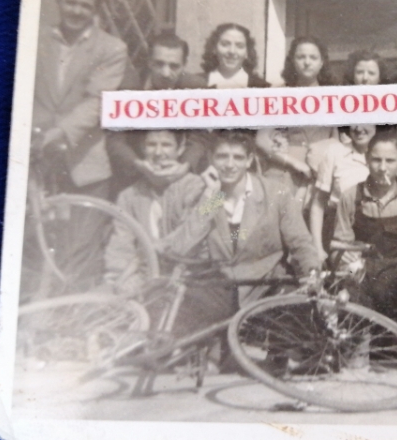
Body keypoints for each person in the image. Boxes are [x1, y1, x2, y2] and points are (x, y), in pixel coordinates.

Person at [159, 131, 323, 334]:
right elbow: (180, 248)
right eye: (222, 156)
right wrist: (211, 198)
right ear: (210, 158)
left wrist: (312, 273)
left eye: (237, 157)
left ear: (249, 160)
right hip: (220, 288)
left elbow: (301, 242)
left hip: (266, 286)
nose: (229, 164)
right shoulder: (202, 193)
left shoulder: (276, 193)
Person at [30, 0, 130, 287]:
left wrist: (57, 133)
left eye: (85, 6)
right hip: (36, 162)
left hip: (84, 165)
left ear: (95, 9)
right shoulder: (34, 40)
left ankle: (75, 314)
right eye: (71, 2)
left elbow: (97, 101)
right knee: (35, 249)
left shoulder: (111, 48)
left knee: (80, 253)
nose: (76, 11)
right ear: (59, 2)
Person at [332, 132, 397, 331]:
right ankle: (355, 341)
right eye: (376, 160)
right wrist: (345, 259)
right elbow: (339, 246)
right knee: (349, 289)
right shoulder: (350, 196)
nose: (382, 168)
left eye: (390, 161)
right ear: (366, 159)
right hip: (363, 274)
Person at [103, 130, 206, 292]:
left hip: (188, 277)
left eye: (166, 145)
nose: (158, 153)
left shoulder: (198, 187)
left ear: (180, 149)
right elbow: (120, 245)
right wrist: (120, 277)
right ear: (142, 148)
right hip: (141, 276)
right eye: (151, 145)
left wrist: (148, 254)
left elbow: (190, 236)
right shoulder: (128, 196)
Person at [108, 29, 209, 187]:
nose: (166, 73)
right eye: (159, 64)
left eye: (174, 66)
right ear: (149, 62)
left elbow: (199, 137)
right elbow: (115, 140)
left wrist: (184, 167)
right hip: (137, 171)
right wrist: (139, 165)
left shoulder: (195, 87)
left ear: (184, 65)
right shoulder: (128, 87)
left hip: (180, 169)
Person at [256, 36, 336, 199]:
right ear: (292, 61)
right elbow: (261, 140)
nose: (307, 62)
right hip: (285, 169)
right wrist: (294, 163)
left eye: (313, 57)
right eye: (301, 57)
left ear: (322, 62)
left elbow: (336, 141)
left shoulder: (332, 97)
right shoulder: (280, 95)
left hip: (320, 173)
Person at [309, 124, 375, 252]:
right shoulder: (335, 151)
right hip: (339, 234)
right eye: (353, 121)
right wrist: (317, 249)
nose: (358, 128)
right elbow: (318, 203)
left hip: (378, 232)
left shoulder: (389, 153)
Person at [201, 22, 270, 89]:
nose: (232, 51)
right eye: (225, 44)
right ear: (214, 49)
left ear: (247, 52)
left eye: (240, 46)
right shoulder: (197, 83)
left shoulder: (263, 87)